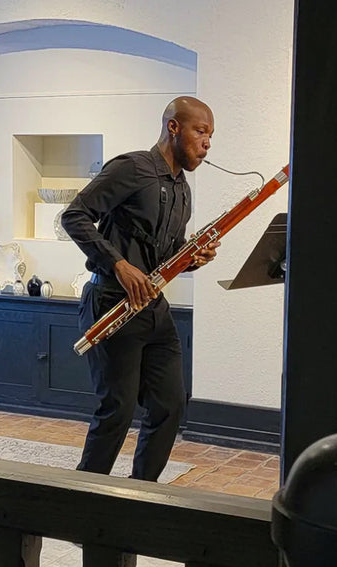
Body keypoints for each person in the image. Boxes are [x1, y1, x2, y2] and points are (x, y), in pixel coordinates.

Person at [61, 96, 221, 481]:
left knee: (170, 405)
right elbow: (74, 215)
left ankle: (142, 493)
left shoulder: (183, 190)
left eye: (210, 135)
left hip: (153, 310)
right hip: (111, 303)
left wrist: (190, 256)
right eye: (201, 132)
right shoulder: (132, 167)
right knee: (117, 410)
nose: (207, 143)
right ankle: (84, 497)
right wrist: (118, 264)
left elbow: (164, 254)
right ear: (173, 127)